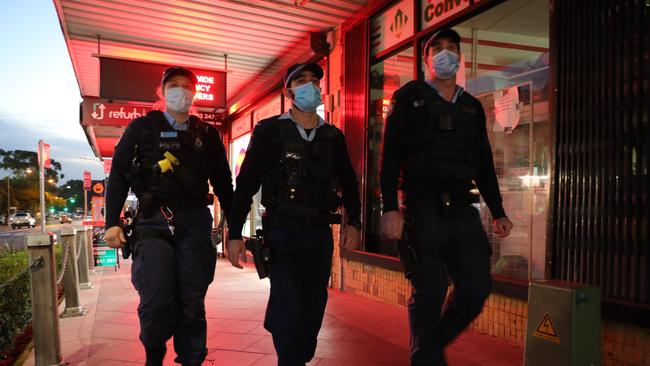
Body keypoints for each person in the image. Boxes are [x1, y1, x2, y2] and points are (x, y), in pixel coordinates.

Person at [380, 28, 514, 366]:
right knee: (430, 291)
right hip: (422, 209)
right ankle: (427, 357)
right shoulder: (409, 98)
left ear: (460, 56)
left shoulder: (470, 107)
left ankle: (429, 347)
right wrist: (390, 208)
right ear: (426, 60)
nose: (444, 53)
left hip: (463, 212)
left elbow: (483, 162)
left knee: (477, 287)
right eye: (436, 48)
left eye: (451, 48)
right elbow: (390, 156)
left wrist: (498, 211)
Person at [227, 63, 361, 366]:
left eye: (315, 81)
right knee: (288, 303)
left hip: (318, 233)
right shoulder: (269, 131)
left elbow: (350, 183)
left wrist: (354, 222)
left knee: (313, 306)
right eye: (301, 81)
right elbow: (246, 184)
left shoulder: (332, 136)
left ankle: (296, 355)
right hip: (281, 232)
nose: (310, 86)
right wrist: (234, 233)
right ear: (288, 91)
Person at [104, 66, 233, 366]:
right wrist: (112, 221)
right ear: (161, 92)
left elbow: (224, 184)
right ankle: (154, 354)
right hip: (152, 221)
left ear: (194, 93)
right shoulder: (141, 129)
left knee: (192, 301)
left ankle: (192, 359)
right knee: (157, 298)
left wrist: (235, 230)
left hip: (194, 221)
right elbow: (119, 176)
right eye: (174, 85)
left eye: (187, 86)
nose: (181, 91)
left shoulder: (207, 134)